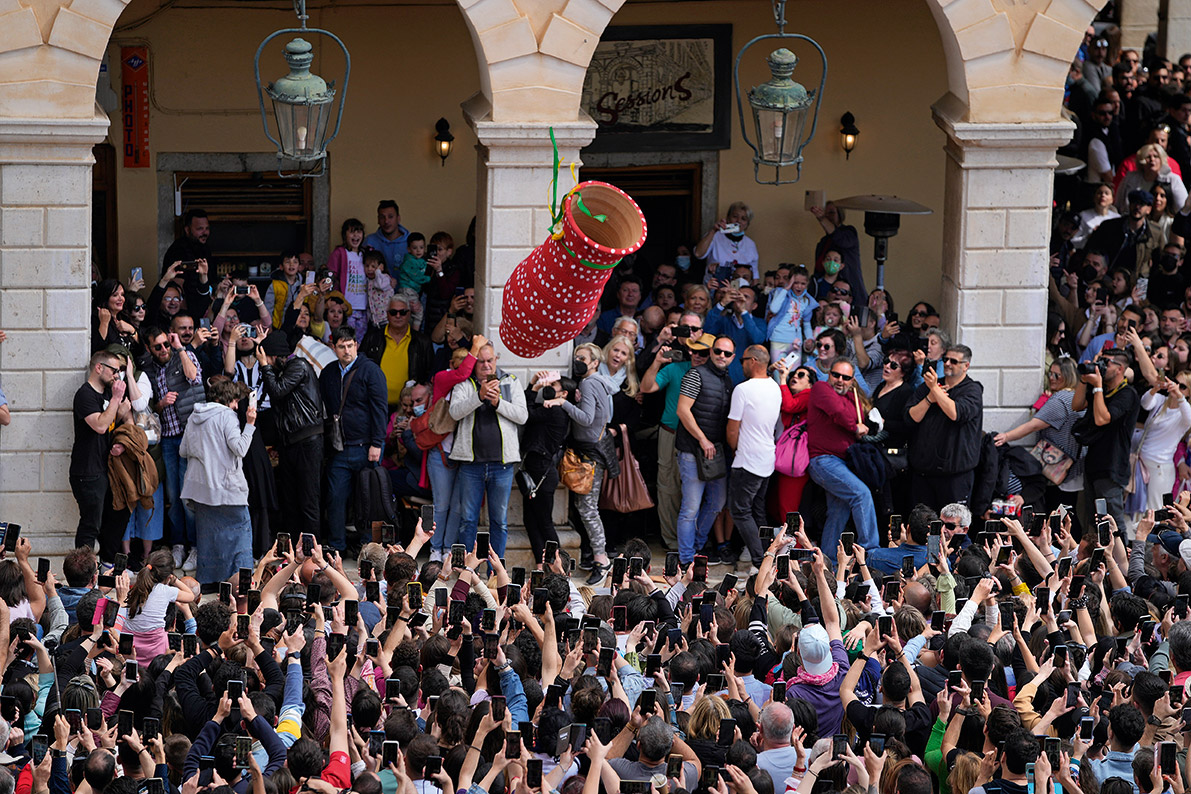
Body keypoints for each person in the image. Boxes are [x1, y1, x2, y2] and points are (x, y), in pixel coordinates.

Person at [448, 342, 527, 558]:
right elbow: (454, 412)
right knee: (468, 520)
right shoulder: (465, 384)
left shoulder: (510, 382)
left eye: (489, 360)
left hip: (501, 466)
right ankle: (465, 567)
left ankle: (495, 571)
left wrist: (497, 402)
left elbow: (522, 415)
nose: (486, 366)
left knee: (499, 521)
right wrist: (479, 396)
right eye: (481, 361)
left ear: (496, 360)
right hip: (471, 465)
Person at [640, 320, 709, 553]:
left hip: (698, 438)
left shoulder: (713, 368)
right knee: (667, 488)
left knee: (693, 493)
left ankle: (690, 544)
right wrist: (657, 361)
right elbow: (647, 388)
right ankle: (672, 543)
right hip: (670, 433)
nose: (698, 354)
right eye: (685, 328)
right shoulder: (675, 365)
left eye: (695, 329)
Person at [550, 343, 616, 584]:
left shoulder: (589, 383)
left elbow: (588, 419)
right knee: (586, 507)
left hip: (590, 454)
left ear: (595, 362)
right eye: (576, 357)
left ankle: (602, 560)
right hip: (591, 452)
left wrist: (563, 403)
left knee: (588, 509)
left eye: (583, 358)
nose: (578, 361)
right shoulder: (595, 382)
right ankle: (598, 557)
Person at [178, 380, 255, 586]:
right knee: (241, 535)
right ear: (224, 400)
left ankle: (211, 581)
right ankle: (243, 583)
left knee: (209, 540)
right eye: (234, 402)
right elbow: (240, 448)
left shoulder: (194, 416)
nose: (236, 407)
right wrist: (249, 424)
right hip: (228, 489)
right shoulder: (226, 415)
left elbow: (183, 450)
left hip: (200, 491)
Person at [140, 326, 204, 573]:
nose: (164, 349)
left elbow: (193, 376)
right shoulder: (150, 368)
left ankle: (196, 547)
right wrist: (161, 403)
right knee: (172, 496)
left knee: (189, 497)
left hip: (189, 435)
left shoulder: (183, 354)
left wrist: (180, 347)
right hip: (167, 438)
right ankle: (178, 544)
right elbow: (150, 407)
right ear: (149, 349)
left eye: (166, 344)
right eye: (158, 347)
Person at [319, 326, 389, 553]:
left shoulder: (371, 371)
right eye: (342, 346)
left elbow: (380, 410)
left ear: (356, 345)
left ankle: (368, 545)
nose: (347, 350)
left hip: (366, 445)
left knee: (369, 497)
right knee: (336, 497)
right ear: (334, 347)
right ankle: (337, 545)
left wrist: (377, 443)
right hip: (339, 447)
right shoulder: (328, 372)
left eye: (350, 345)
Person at [806, 359, 879, 559]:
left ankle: (828, 563)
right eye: (835, 375)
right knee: (861, 495)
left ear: (852, 380)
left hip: (838, 462)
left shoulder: (850, 397)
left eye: (845, 377)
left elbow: (854, 418)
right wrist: (854, 426)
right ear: (828, 374)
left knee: (838, 513)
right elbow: (840, 413)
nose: (840, 380)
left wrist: (855, 424)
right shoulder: (821, 388)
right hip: (824, 460)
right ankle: (871, 552)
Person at [674, 336, 735, 565]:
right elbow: (682, 410)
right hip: (692, 449)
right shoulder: (695, 374)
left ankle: (697, 545)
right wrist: (702, 439)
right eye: (718, 351)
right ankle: (687, 558)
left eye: (727, 353)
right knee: (690, 507)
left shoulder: (727, 380)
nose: (722, 356)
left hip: (716, 452)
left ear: (733, 357)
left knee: (717, 503)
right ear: (711, 351)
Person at [258, 331, 324, 540]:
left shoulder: (299, 365)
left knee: (308, 501)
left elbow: (277, 391)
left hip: (307, 442)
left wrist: (265, 367)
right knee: (291, 501)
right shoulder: (283, 370)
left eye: (267, 357)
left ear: (275, 355)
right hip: (291, 443)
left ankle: (312, 553)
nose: (264, 361)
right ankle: (295, 552)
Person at [70, 349, 131, 562]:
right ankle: (81, 573)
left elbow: (117, 423)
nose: (116, 376)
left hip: (106, 469)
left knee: (116, 517)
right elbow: (100, 425)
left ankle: (106, 564)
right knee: (90, 525)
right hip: (88, 471)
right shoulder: (85, 394)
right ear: (99, 368)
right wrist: (116, 399)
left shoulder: (106, 394)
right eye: (114, 370)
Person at [1072, 347, 1141, 533]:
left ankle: (1122, 561)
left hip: (1112, 467)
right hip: (1093, 465)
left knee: (1113, 524)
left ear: (1120, 369)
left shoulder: (1127, 394)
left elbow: (1102, 418)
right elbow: (1076, 405)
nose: (1102, 366)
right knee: (1093, 524)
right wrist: (1083, 379)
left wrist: (1098, 386)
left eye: (1107, 362)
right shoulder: (1099, 390)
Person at [906, 345, 985, 510]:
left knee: (953, 529)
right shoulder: (929, 387)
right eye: (945, 359)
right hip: (923, 473)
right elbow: (910, 417)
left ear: (966, 366)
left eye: (954, 361)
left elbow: (956, 413)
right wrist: (930, 397)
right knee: (925, 529)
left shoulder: (972, 390)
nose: (948, 363)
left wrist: (935, 390)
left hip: (954, 477)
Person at [726, 345, 780, 573]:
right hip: (767, 458)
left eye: (743, 360)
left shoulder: (743, 389)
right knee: (757, 510)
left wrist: (737, 448)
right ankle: (768, 557)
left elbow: (732, 430)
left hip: (747, 460)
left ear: (754, 361)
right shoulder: (775, 387)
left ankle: (760, 561)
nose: (741, 364)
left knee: (740, 510)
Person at [362, 295, 434, 409]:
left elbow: (429, 374)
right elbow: (361, 369)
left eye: (403, 312)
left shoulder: (422, 342)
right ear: (387, 314)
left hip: (409, 408)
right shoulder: (372, 338)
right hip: (375, 406)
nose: (398, 316)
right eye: (393, 312)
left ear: (409, 314)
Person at [694, 202, 760, 283]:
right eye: (735, 217)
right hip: (715, 287)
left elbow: (755, 275)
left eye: (743, 219)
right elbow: (698, 254)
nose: (738, 221)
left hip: (739, 290)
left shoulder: (750, 244)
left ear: (747, 224)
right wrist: (713, 230)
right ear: (728, 218)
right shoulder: (715, 236)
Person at [364, 200, 410, 278]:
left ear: (398, 218)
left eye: (390, 216)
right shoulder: (369, 241)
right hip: (375, 289)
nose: (386, 221)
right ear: (378, 220)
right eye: (382, 217)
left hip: (407, 289)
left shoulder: (411, 241)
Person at [161, 208, 211, 280]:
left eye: (207, 228)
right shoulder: (178, 250)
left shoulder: (206, 248)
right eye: (200, 229)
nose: (205, 233)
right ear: (187, 230)